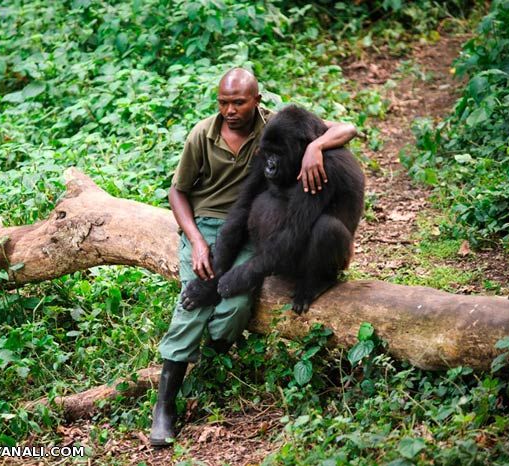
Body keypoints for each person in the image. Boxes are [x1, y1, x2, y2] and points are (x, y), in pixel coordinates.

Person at [149, 68, 357, 447]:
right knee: (196, 302)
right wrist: (209, 264)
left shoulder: (311, 158)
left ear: (256, 102)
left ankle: (314, 284)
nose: (270, 164)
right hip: (215, 229)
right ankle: (165, 404)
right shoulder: (245, 138)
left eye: (238, 101)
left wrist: (316, 148)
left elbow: (294, 236)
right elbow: (241, 210)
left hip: (315, 251)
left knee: (240, 298)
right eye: (223, 102)